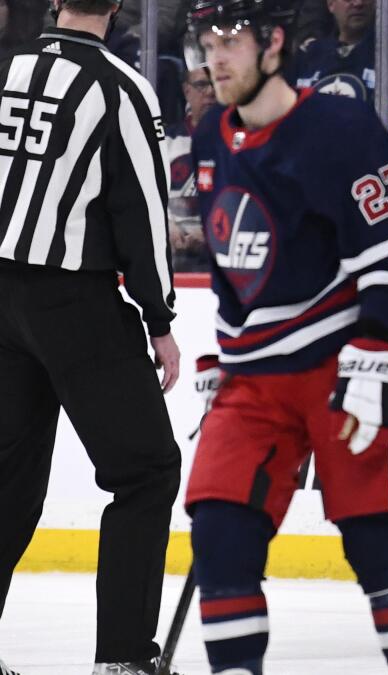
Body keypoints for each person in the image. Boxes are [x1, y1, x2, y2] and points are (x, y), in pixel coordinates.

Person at [181, 0, 388, 673]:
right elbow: (231, 261)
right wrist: (221, 352)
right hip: (255, 379)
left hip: (347, 360)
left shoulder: (339, 128)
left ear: (273, 44)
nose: (216, 56)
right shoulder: (211, 137)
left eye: (231, 40)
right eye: (207, 41)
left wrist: (379, 347)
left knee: (380, 549)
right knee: (219, 534)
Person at [0, 0, 182, 673]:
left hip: (1, 295)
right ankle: (124, 658)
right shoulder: (119, 86)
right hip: (75, 301)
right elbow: (142, 209)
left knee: (8, 482)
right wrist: (159, 320)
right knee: (146, 470)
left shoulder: (9, 68)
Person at [290, 0, 388, 154]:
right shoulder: (308, 55)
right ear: (330, 4)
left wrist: (349, 153)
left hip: (368, 169)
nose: (358, 3)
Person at [165, 66, 218, 272]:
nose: (211, 92)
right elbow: (140, 198)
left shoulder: (239, 141)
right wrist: (164, 226)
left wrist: (211, 232)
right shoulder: (164, 140)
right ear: (187, 91)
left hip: (222, 250)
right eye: (202, 85)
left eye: (214, 83)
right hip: (169, 251)